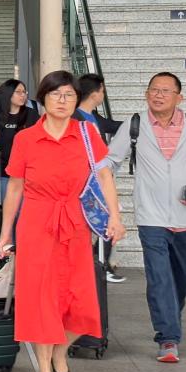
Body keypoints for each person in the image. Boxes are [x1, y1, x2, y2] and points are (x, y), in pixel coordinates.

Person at [0, 71, 125, 372]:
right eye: (55, 94)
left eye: (69, 95)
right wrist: (6, 233)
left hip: (76, 224)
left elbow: (104, 176)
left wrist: (115, 216)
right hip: (37, 225)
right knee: (41, 301)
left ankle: (60, 350)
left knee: (80, 302)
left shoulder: (86, 133)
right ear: (43, 100)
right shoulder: (26, 139)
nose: (62, 101)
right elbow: (15, 188)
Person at [105, 72, 186, 363]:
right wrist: (96, 177)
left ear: (179, 97)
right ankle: (168, 338)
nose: (158, 95)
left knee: (183, 277)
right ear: (146, 94)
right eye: (153, 90)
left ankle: (169, 313)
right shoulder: (134, 125)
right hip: (150, 215)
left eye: (165, 90)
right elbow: (111, 160)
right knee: (159, 276)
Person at [76, 73, 126, 283]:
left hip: (99, 177)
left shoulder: (94, 116)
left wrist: (139, 122)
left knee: (108, 218)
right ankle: (98, 266)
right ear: (94, 93)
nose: (103, 95)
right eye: (102, 91)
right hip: (83, 180)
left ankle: (100, 265)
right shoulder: (74, 117)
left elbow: (114, 126)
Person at [0, 79, 38, 203]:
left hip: (27, 173)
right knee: (9, 208)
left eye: (24, 92)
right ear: (8, 93)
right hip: (3, 172)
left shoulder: (32, 115)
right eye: (18, 92)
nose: (23, 95)